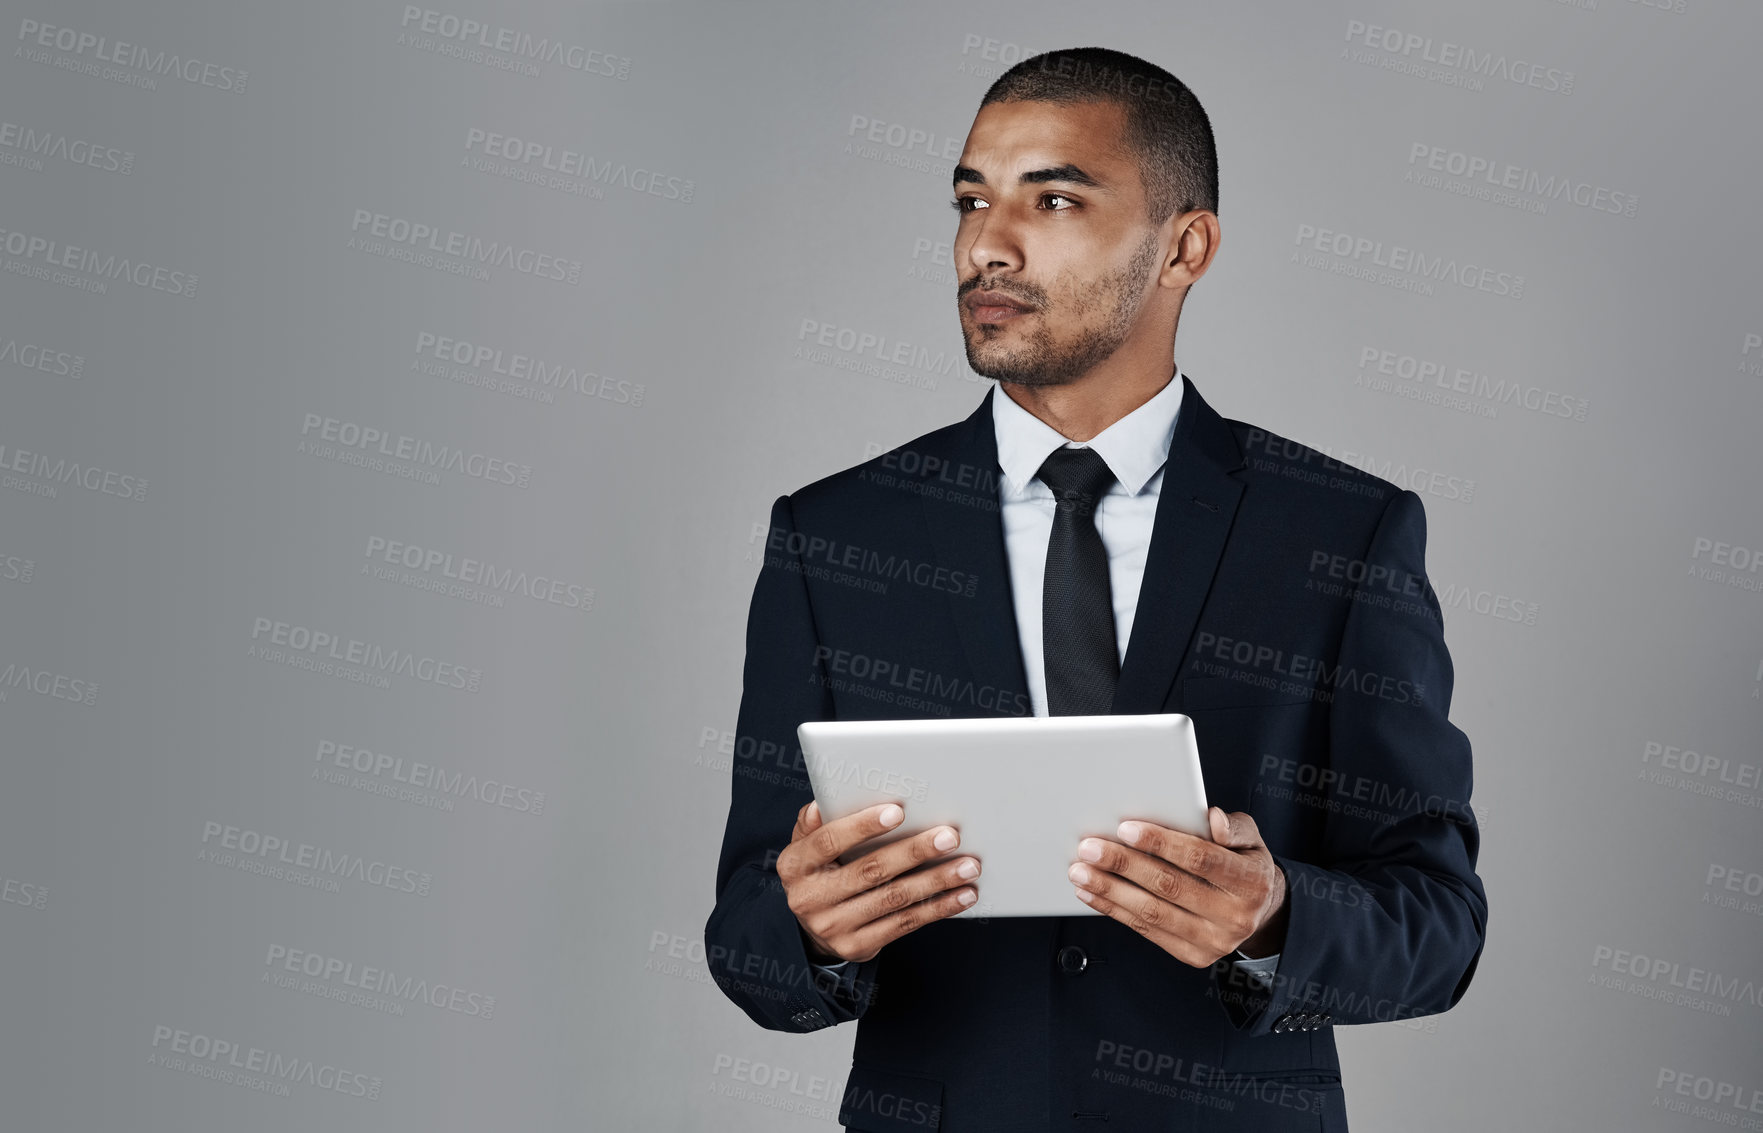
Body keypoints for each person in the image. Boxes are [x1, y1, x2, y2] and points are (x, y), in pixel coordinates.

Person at [705, 46, 1487, 1132]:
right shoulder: (833, 534)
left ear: (1184, 246)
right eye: (969, 199)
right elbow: (746, 933)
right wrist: (814, 928)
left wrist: (1274, 916)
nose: (985, 244)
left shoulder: (1339, 530)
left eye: (1054, 199)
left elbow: (1437, 922)